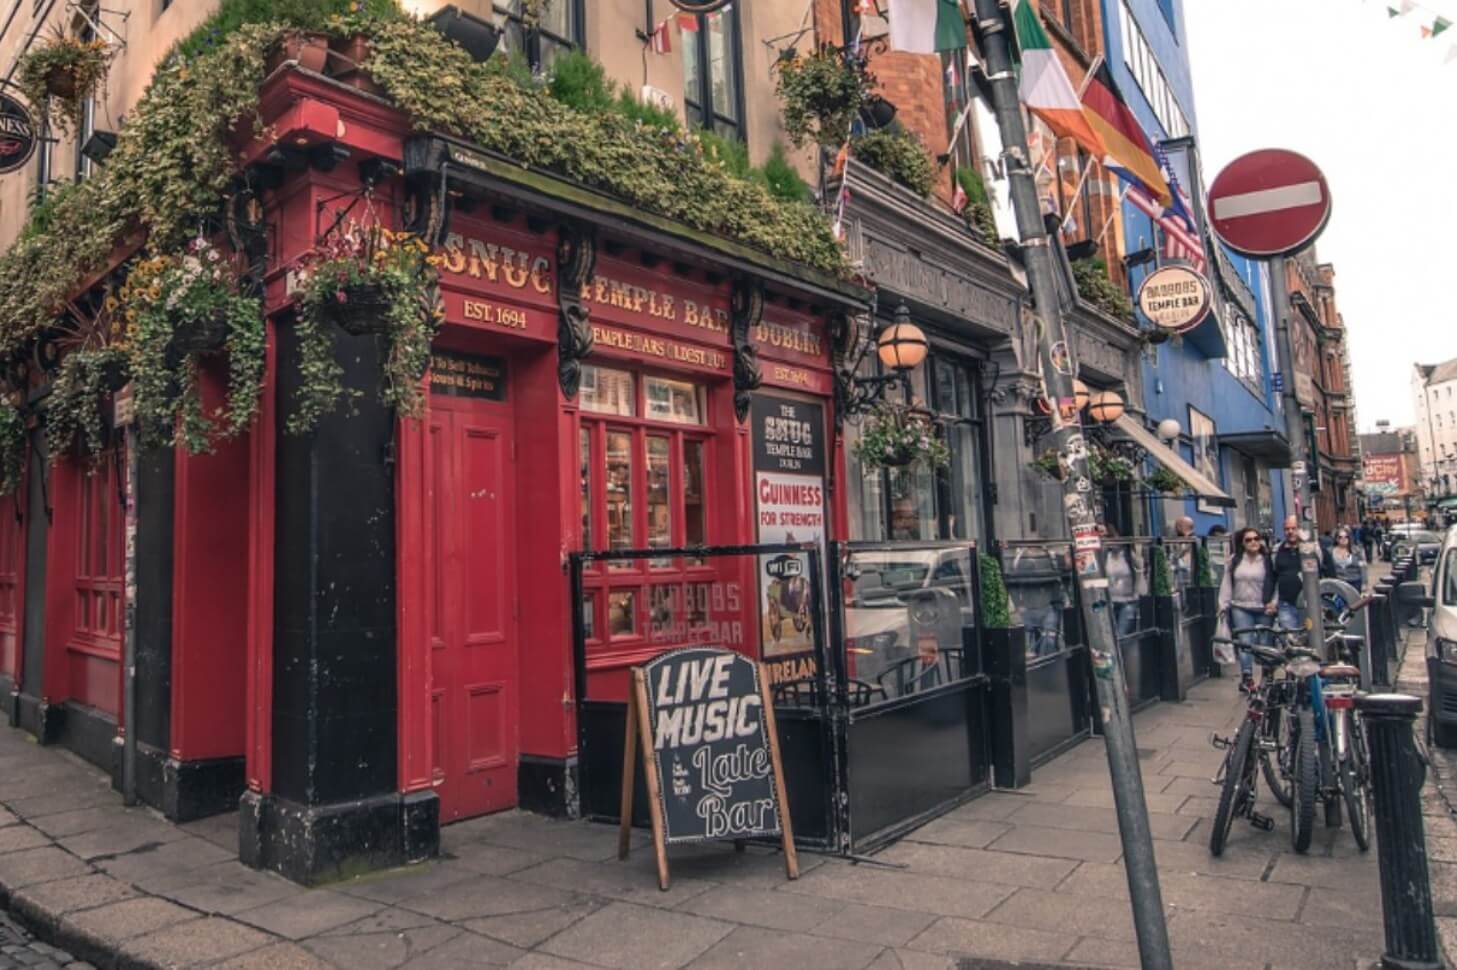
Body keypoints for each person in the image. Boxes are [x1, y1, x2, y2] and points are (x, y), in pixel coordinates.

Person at [1217, 526, 1278, 691]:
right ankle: (1247, 678)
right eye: (1248, 540)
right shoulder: (1235, 560)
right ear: (1242, 543)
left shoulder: (1267, 560)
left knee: (1265, 643)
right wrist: (1223, 605)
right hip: (1240, 607)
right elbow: (1227, 583)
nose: (1253, 542)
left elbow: (1276, 582)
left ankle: (1266, 677)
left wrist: (1274, 602)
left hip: (1263, 607)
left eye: (1256, 539)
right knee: (1245, 643)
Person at [1272, 514, 1334, 633]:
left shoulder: (1315, 549)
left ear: (1300, 529)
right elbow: (1274, 576)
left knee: (1312, 638)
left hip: (1311, 603)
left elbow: (1330, 573)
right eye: (1287, 529)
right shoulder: (1277, 550)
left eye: (1293, 528)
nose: (1290, 532)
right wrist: (1273, 601)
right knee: (1291, 640)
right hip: (1286, 604)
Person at [1101, 522, 1144, 638]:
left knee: (1121, 635)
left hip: (1128, 602)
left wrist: (1138, 596)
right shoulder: (1105, 556)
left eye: (1111, 537)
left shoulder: (1129, 556)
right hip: (1110, 602)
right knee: (1109, 636)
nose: (1110, 542)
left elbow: (1140, 573)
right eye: (1106, 538)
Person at [1330, 526, 1366, 591]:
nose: (1343, 539)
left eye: (1346, 537)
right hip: (1338, 584)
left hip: (1354, 582)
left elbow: (1363, 568)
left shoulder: (1356, 551)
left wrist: (1364, 583)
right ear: (1336, 539)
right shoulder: (1330, 551)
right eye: (1340, 537)